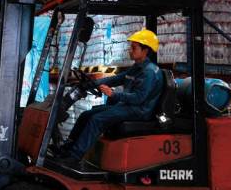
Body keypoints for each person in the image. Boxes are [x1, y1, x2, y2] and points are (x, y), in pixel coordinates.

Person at [57, 29, 163, 167]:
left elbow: (139, 98)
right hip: (129, 107)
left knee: (97, 119)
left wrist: (113, 95)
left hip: (139, 110)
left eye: (134, 48)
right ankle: (67, 149)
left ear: (146, 51)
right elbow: (118, 79)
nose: (130, 51)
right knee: (86, 114)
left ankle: (75, 157)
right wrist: (93, 83)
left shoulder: (149, 72)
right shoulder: (137, 68)